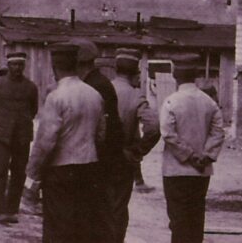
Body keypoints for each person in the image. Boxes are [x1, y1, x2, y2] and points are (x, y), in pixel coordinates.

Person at [27, 44, 106, 242]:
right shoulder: (94, 95)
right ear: (77, 65)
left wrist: (33, 173)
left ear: (55, 68)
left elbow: (45, 141)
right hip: (89, 167)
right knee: (83, 226)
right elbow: (101, 135)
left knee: (58, 227)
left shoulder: (56, 97)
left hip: (61, 171)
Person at [160, 54, 225, 243]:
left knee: (178, 220)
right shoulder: (209, 102)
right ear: (195, 75)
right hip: (201, 171)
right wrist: (205, 157)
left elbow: (168, 134)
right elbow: (218, 132)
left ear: (175, 75)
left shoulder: (171, 102)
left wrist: (188, 155)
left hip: (176, 170)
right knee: (196, 218)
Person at [109, 48, 161, 243]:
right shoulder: (135, 95)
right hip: (123, 161)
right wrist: (137, 150)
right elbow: (154, 127)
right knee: (119, 209)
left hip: (99, 159)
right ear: (135, 72)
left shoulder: (102, 89)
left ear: (116, 68)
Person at [76, 39, 123, 243]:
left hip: (99, 161)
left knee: (97, 217)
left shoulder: (95, 86)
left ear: (80, 63)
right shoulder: (99, 83)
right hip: (101, 158)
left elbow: (106, 129)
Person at [0, 52, 39, 225]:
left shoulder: (31, 87)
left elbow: (33, 110)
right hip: (1, 135)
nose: (17, 68)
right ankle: (0, 209)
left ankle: (12, 210)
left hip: (22, 136)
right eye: (14, 65)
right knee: (0, 171)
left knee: (18, 173)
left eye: (20, 65)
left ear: (24, 67)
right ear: (8, 66)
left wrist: (21, 124)